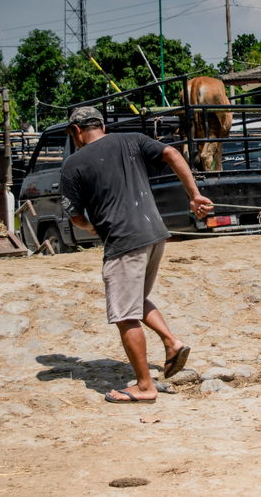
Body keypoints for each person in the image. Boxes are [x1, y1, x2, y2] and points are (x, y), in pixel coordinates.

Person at [60, 106, 214, 404]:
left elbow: (75, 216)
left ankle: (144, 386)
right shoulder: (131, 139)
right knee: (136, 299)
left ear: (76, 131)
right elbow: (171, 153)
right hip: (154, 233)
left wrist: (94, 227)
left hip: (124, 242)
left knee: (124, 314)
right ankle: (171, 342)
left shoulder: (72, 164)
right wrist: (194, 194)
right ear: (101, 125)